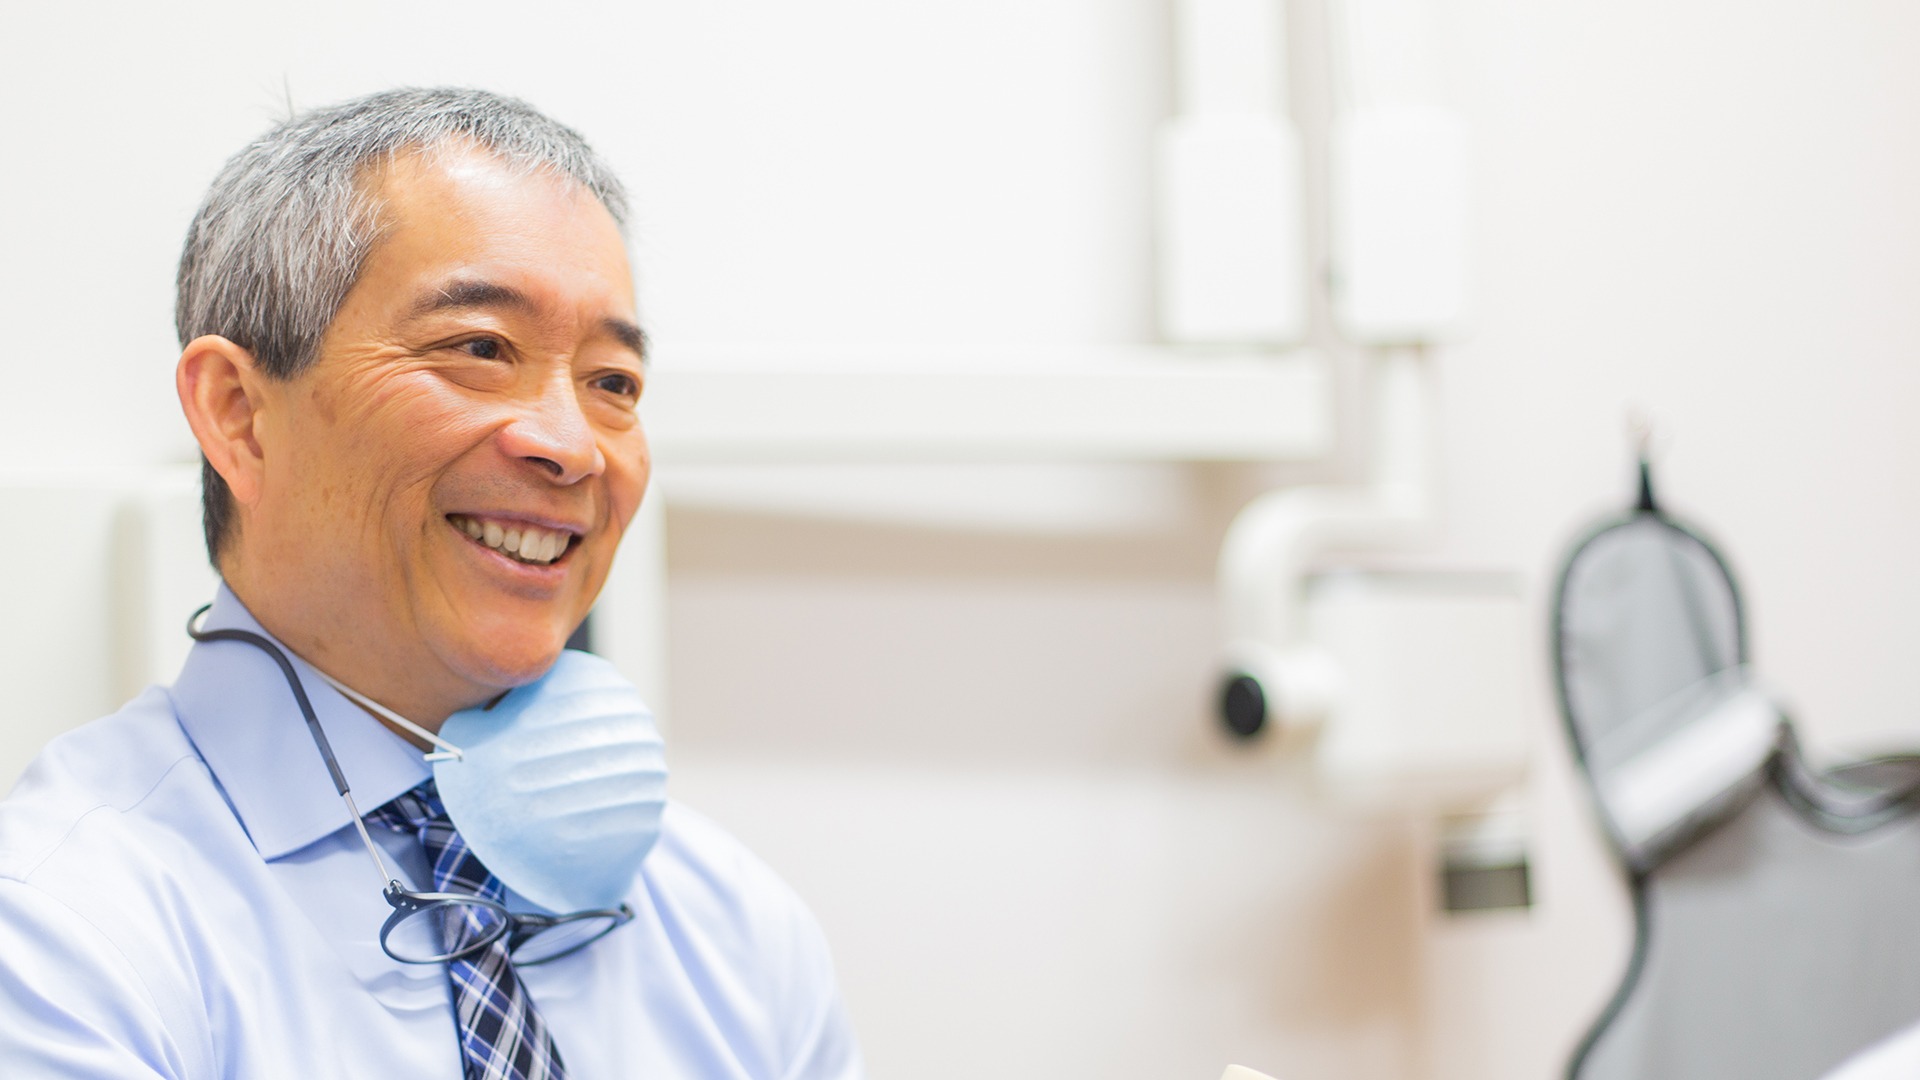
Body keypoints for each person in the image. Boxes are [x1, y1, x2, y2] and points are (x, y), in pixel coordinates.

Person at [0, 87, 863, 1079]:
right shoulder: (60, 937)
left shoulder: (737, 936)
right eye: (481, 350)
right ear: (238, 413)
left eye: (612, 383)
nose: (574, 447)